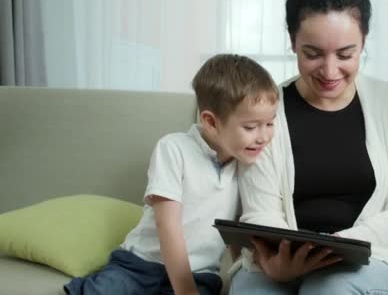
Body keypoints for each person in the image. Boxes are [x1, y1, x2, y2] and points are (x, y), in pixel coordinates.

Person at [229, 0, 388, 294]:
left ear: (364, 41)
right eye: (313, 54)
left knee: (327, 291)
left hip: (365, 260)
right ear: (292, 41)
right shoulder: (263, 111)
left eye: (346, 54)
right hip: (278, 259)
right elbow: (259, 209)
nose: (331, 71)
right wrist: (278, 261)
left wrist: (336, 245)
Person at [64, 54, 279, 295]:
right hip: (140, 265)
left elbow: (238, 231)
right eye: (250, 127)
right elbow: (167, 224)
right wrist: (186, 292)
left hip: (201, 274)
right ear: (211, 121)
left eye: (270, 123)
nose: (263, 137)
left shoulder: (248, 165)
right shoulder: (173, 148)